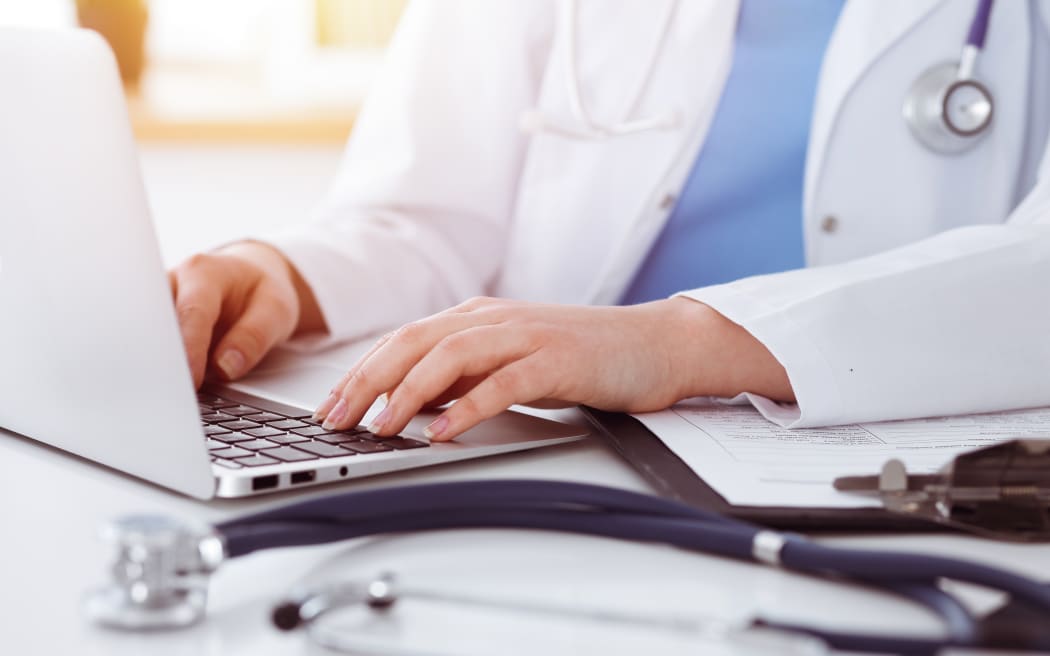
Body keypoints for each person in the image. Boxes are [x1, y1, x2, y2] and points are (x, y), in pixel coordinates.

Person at [169, 0, 1050, 444]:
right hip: (549, 451)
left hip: (873, 467)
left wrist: (675, 345)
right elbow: (431, 216)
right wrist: (284, 274)